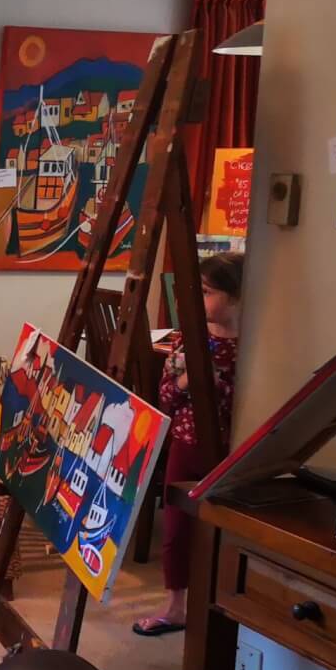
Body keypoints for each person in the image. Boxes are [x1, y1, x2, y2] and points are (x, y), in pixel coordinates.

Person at [135, 252, 243, 638]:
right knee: (177, 527)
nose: (195, 300)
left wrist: (220, 384)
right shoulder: (189, 341)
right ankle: (175, 605)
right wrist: (188, 381)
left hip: (230, 448)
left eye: (207, 292)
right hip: (186, 441)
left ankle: (220, 604)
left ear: (236, 296)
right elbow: (165, 395)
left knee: (223, 531)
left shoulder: (252, 348)